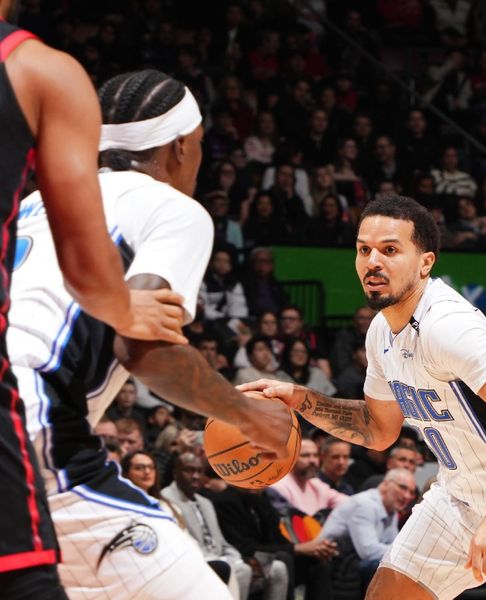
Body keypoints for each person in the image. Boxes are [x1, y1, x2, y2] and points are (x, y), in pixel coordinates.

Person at [9, 69, 293, 599]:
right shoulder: (174, 210)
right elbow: (144, 350)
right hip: (35, 426)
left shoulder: (36, 202)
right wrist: (250, 415)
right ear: (183, 147)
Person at [240, 194, 486, 599]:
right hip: (455, 499)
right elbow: (378, 429)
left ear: (425, 262)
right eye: (363, 249)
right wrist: (298, 399)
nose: (373, 262)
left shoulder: (446, 325)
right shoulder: (381, 331)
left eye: (390, 250)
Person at [0, 7, 188, 596]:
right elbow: (87, 268)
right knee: (26, 582)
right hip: (34, 414)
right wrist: (125, 306)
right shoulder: (42, 72)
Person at [161, 452, 252, 600]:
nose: (195, 476)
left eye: (199, 471)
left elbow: (221, 541)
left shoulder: (206, 502)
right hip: (192, 560)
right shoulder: (166, 500)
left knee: (243, 568)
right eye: (189, 470)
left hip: (217, 556)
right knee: (225, 569)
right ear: (175, 473)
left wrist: (235, 557)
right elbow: (183, 544)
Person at [321, 468, 418, 592]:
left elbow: (394, 545)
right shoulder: (364, 504)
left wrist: (406, 554)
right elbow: (368, 552)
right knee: (381, 566)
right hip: (332, 565)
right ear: (386, 484)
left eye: (411, 492)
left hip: (352, 564)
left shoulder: (391, 508)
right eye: (403, 488)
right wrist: (408, 553)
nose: (407, 496)